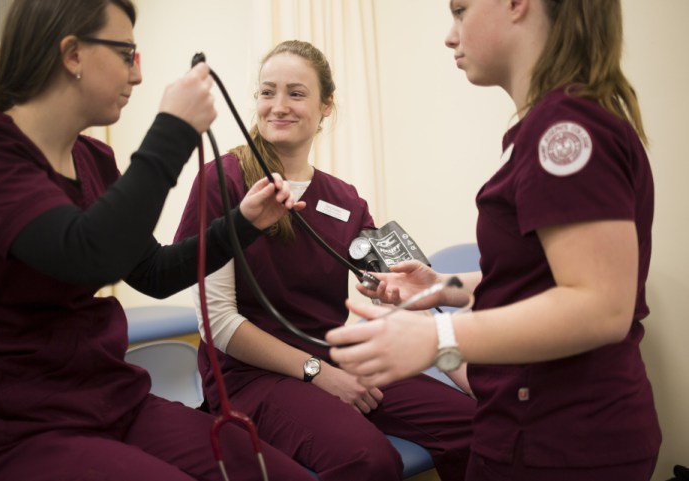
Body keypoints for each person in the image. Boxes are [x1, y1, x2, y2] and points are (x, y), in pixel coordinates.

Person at [0, 1, 315, 480]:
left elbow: (152, 273)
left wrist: (241, 223)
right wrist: (173, 129)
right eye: (126, 53)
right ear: (72, 54)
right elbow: (85, 255)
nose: (137, 76)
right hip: (14, 432)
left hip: (113, 402)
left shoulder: (93, 158)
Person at [326, 1, 662, 480]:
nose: (450, 34)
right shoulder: (551, 125)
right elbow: (539, 283)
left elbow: (600, 305)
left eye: (461, 10)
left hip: (563, 444)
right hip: (536, 429)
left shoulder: (564, 130)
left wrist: (436, 337)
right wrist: (441, 288)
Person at [174, 39, 475, 481]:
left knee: (475, 423)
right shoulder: (223, 181)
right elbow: (216, 322)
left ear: (326, 106)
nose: (278, 106)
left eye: (296, 93)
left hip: (334, 358)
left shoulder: (343, 199)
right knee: (367, 460)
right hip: (248, 377)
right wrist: (317, 373)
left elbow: (395, 287)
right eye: (266, 91)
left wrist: (413, 307)